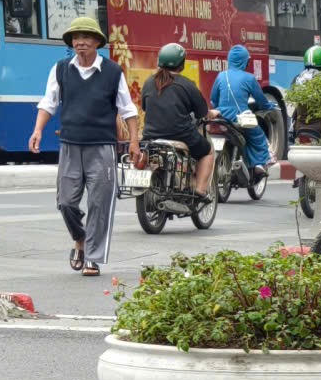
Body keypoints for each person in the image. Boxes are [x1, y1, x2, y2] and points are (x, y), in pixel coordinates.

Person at [30, 16, 137, 275]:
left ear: (97, 42)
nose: (80, 43)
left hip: (102, 146)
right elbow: (49, 103)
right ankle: (80, 239)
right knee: (66, 201)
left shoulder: (112, 72)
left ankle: (93, 256)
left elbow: (127, 108)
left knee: (100, 203)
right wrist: (38, 130)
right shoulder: (61, 69)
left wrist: (134, 140)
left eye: (86, 38)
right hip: (70, 143)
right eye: (76, 38)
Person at [136, 42, 216, 200]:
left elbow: (145, 107)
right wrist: (211, 113)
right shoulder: (187, 85)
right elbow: (201, 112)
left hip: (150, 136)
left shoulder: (148, 83)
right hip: (181, 135)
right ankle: (200, 191)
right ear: (182, 64)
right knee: (207, 151)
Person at [210, 44, 270, 173]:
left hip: (221, 117)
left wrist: (220, 109)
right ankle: (259, 164)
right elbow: (261, 100)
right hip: (240, 117)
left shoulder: (221, 76)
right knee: (258, 136)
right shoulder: (249, 78)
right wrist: (269, 106)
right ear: (245, 61)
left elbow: (213, 99)